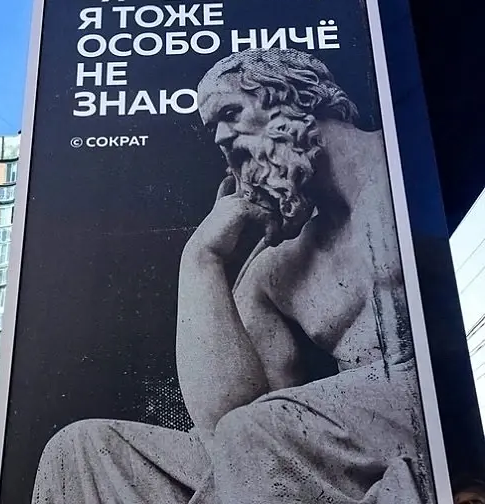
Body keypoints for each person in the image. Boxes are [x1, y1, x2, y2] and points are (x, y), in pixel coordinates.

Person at [32, 48, 436, 504]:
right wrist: (202, 256)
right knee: (82, 452)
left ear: (295, 98)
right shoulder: (279, 265)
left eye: (230, 113)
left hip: (431, 397)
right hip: (320, 435)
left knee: (259, 429)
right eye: (214, 129)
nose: (223, 138)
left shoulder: (410, 161)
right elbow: (222, 420)